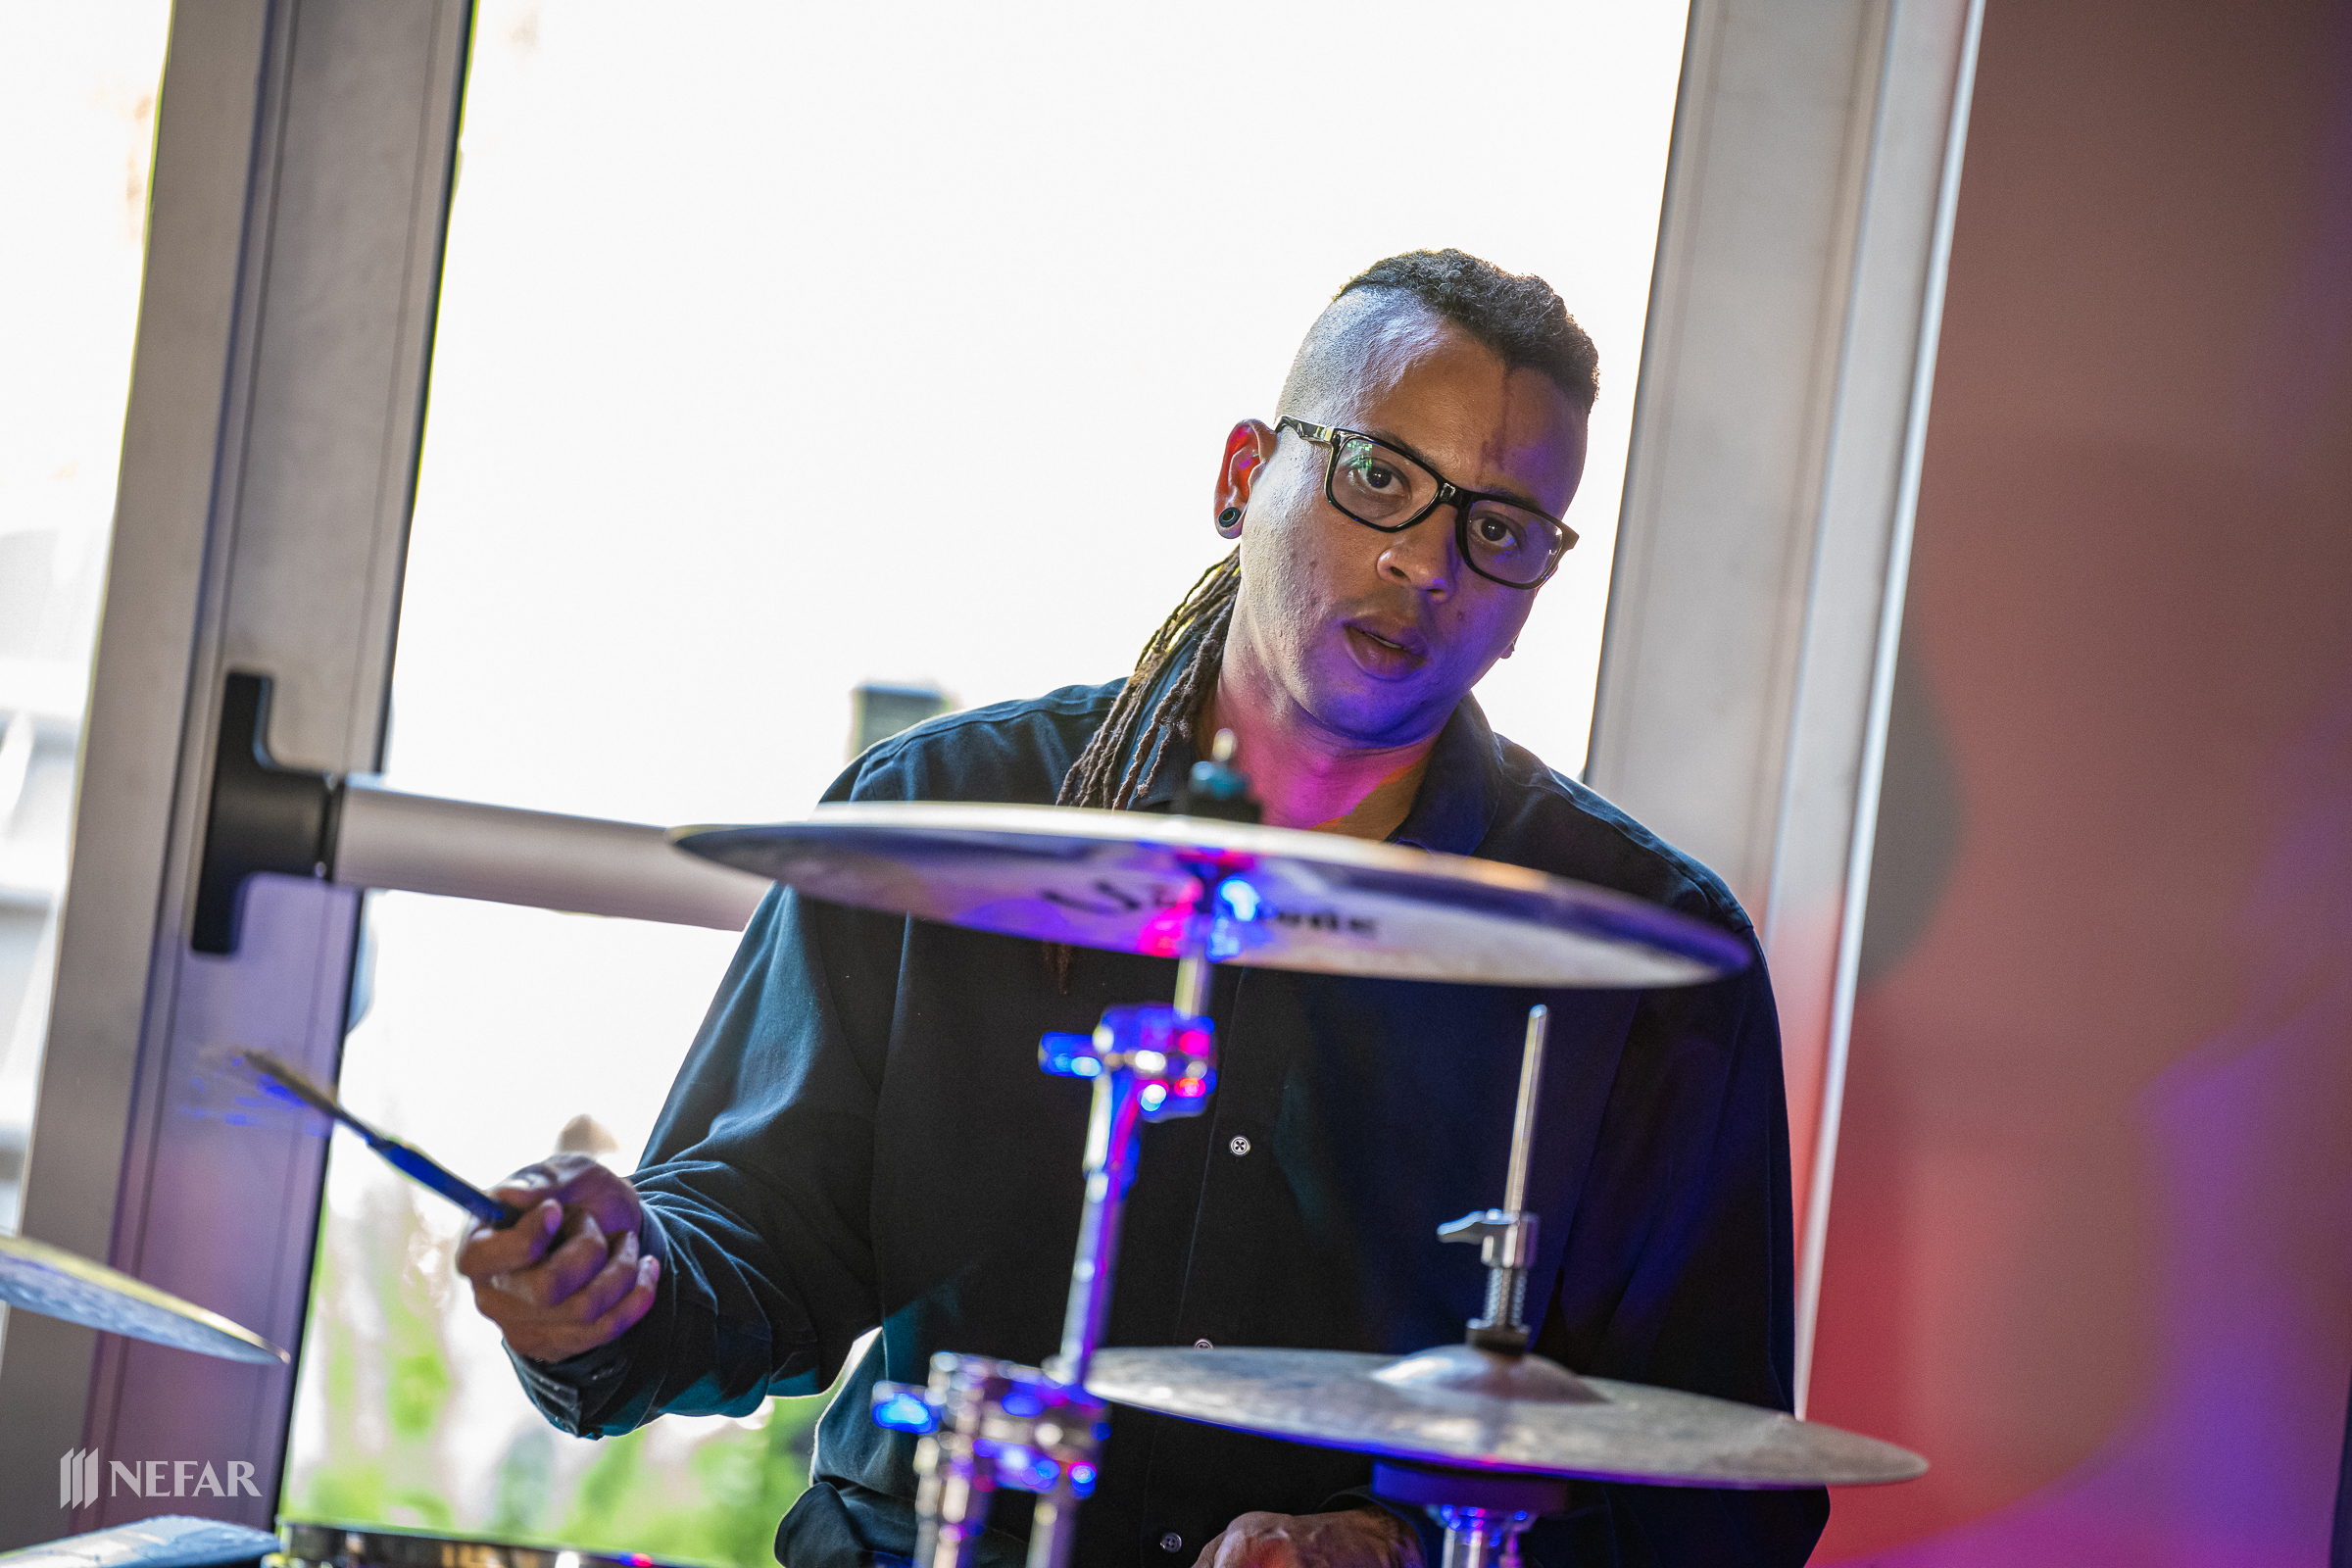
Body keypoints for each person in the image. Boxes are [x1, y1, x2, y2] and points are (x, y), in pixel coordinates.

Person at [457, 250, 1828, 1568]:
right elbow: (757, 1249)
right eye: (1379, 476)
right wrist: (604, 1285)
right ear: (1242, 477)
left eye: (1500, 529)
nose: (1430, 562)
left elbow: (1717, 1492)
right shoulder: (942, 815)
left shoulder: (1650, 961)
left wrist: (1405, 1544)